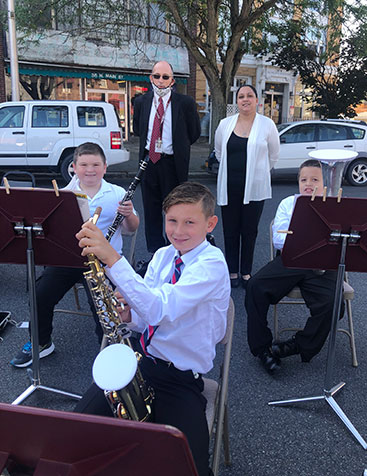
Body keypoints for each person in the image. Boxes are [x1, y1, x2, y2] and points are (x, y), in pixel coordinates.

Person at [74, 182, 230, 476]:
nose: (178, 231)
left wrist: (112, 258)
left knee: (188, 465)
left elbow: (160, 308)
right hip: (140, 363)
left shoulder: (212, 264)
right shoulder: (162, 256)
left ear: (210, 224)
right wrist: (130, 315)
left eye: (189, 222)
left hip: (179, 377)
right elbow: (149, 318)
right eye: (172, 221)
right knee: (77, 431)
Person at [10, 142, 139, 368]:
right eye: (84, 164)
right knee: (40, 294)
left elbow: (131, 230)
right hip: (69, 258)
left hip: (104, 260)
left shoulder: (117, 193)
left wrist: (128, 215)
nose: (90, 170)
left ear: (105, 167)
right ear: (74, 167)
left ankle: (110, 351)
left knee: (103, 303)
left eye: (96, 164)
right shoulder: (62, 194)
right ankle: (41, 342)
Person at [245, 159, 344, 374]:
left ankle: (298, 345)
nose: (308, 184)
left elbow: (343, 241)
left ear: (325, 183)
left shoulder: (334, 204)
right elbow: (279, 240)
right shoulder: (289, 203)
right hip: (292, 259)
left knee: (333, 303)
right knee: (254, 287)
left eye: (315, 179)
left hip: (324, 262)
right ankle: (262, 349)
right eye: (304, 179)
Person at [133, 61, 201, 261]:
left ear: (172, 80)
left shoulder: (185, 103)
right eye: (157, 76)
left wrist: (179, 146)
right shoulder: (141, 102)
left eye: (165, 77)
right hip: (149, 161)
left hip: (173, 163)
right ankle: (155, 253)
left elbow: (194, 133)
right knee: (151, 209)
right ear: (150, 78)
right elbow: (138, 129)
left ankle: (176, 251)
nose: (160, 81)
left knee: (175, 210)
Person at [214, 84, 280, 289]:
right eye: (241, 96)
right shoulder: (225, 124)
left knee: (249, 231)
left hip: (255, 189)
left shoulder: (267, 125)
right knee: (230, 230)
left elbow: (273, 155)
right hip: (229, 187)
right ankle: (232, 270)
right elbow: (218, 152)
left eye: (249, 96)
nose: (245, 99)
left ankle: (246, 272)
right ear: (237, 101)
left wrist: (257, 174)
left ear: (257, 100)